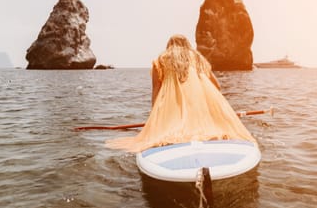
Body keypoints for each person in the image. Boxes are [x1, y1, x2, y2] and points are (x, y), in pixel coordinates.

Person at [106, 34, 258, 152]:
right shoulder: (199, 59)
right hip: (199, 110)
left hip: (173, 110)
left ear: (169, 46)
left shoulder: (161, 59)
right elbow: (217, 86)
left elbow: (156, 89)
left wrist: (155, 115)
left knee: (170, 129)